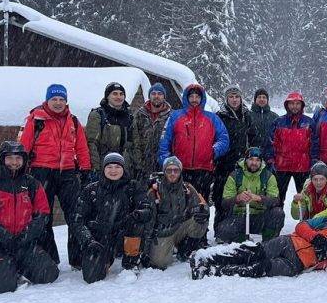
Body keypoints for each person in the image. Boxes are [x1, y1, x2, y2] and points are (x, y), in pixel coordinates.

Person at [0, 141, 59, 293]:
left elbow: (42, 214)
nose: (14, 162)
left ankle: (14, 266)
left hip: (22, 241)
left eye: (18, 158)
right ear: (1, 159)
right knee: (3, 286)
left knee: (49, 274)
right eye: (10, 158)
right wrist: (2, 235)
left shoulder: (32, 184)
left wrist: (27, 234)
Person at [19, 83, 91, 268]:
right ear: (47, 100)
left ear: (66, 101)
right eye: (54, 99)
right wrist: (20, 171)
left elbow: (81, 148)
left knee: (75, 214)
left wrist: (85, 169)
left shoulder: (73, 121)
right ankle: (48, 258)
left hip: (67, 172)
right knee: (43, 216)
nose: (58, 103)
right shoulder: (36, 120)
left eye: (61, 99)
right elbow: (23, 147)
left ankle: (78, 258)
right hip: (41, 172)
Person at [193, 204, 327, 278]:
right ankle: (208, 258)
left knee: (260, 268)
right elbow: (301, 226)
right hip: (289, 242)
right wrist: (315, 237)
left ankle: (212, 271)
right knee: (254, 252)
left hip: (297, 264)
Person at [72, 153, 153, 283]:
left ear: (123, 169)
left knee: (137, 223)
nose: (113, 170)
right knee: (92, 277)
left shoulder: (133, 187)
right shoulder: (91, 190)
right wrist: (88, 240)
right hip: (99, 239)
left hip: (124, 234)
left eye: (117, 166)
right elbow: (77, 219)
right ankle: (103, 260)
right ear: (103, 169)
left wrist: (138, 214)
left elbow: (147, 209)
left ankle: (131, 262)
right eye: (109, 166)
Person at [158, 83, 230, 201]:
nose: (194, 99)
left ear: (202, 99)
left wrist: (213, 151)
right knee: (178, 204)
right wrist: (166, 161)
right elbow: (165, 140)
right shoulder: (175, 116)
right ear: (186, 98)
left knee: (201, 205)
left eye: (197, 97)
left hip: (204, 170)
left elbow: (224, 138)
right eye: (191, 96)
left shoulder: (212, 118)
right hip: (179, 170)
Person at [146, 156, 210, 269]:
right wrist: (146, 246)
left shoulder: (187, 188)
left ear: (180, 172)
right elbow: (148, 221)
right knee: (159, 263)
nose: (172, 173)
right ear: (164, 171)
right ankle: (166, 248)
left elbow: (201, 205)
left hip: (181, 227)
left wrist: (204, 211)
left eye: (176, 170)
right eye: (169, 170)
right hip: (163, 232)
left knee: (200, 219)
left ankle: (185, 249)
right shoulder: (155, 191)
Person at [212, 86, 256, 233]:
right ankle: (219, 229)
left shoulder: (247, 115)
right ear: (226, 99)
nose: (234, 99)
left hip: (242, 164)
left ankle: (236, 230)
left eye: (237, 96)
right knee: (221, 197)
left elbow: (253, 137)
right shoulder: (220, 116)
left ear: (241, 98)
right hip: (223, 163)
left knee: (239, 197)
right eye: (231, 97)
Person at [217, 147, 284, 243]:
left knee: (277, 213)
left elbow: (276, 200)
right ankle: (240, 244)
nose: (254, 163)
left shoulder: (268, 176)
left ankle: (269, 243)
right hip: (240, 216)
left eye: (257, 160)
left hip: (260, 217)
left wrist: (259, 198)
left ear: (261, 162)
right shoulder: (235, 176)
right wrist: (237, 198)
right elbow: (224, 203)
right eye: (251, 159)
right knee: (224, 229)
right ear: (245, 160)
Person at [265, 91, 318, 203]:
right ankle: (277, 219)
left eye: (297, 103)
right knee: (278, 199)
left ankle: (305, 220)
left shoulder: (309, 122)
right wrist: (270, 159)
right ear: (287, 105)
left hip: (303, 166)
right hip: (282, 166)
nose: (294, 106)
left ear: (302, 105)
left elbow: (314, 144)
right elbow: (270, 143)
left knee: (305, 199)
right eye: (292, 103)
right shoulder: (278, 122)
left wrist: (314, 160)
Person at [86, 82, 135, 174]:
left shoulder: (130, 116)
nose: (118, 97)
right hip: (104, 166)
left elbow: (133, 144)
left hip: (124, 168)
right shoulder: (98, 115)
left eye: (121, 94)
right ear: (107, 96)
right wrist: (95, 168)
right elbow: (91, 143)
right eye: (114, 94)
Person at [131, 82, 173, 183]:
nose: (156, 96)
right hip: (142, 164)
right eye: (153, 93)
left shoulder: (172, 116)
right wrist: (138, 162)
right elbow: (134, 139)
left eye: (160, 94)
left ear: (164, 96)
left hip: (163, 164)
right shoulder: (139, 115)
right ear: (149, 96)